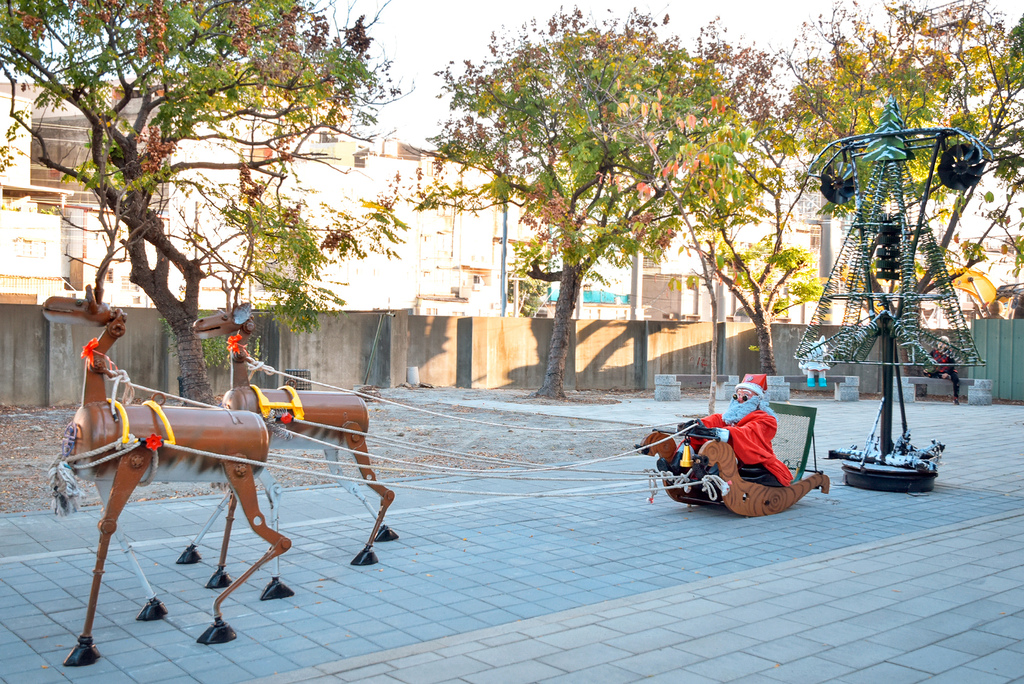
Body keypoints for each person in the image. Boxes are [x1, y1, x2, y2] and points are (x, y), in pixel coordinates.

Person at [682, 374, 793, 487]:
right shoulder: (730, 417)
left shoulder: (767, 420)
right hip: (736, 459)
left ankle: (708, 479)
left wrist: (723, 432)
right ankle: (676, 467)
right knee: (694, 436)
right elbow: (715, 420)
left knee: (721, 449)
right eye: (737, 396)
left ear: (757, 399)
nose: (739, 399)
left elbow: (748, 432)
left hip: (757, 460)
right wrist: (696, 425)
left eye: (745, 396)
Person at [926, 335, 960, 405]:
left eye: (944, 343)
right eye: (940, 343)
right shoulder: (934, 352)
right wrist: (927, 368)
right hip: (937, 370)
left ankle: (955, 398)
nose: (941, 345)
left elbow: (953, 365)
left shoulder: (949, 353)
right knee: (927, 373)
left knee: (955, 378)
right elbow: (928, 360)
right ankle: (939, 376)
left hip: (948, 371)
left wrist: (947, 373)